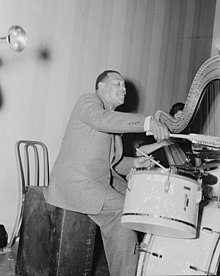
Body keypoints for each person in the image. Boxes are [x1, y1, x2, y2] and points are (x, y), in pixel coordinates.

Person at [45, 70, 169, 276]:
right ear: (100, 87)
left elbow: (112, 162)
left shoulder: (110, 120)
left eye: (124, 86)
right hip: (76, 183)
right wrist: (147, 122)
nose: (124, 89)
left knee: (136, 200)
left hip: (97, 180)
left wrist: (135, 163)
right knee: (124, 210)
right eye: (117, 84)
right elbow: (102, 119)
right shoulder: (89, 102)